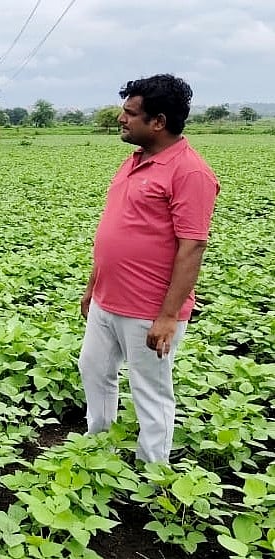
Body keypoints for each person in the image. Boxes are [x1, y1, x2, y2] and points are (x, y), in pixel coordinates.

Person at [79, 74, 220, 463]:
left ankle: (151, 471)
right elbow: (114, 228)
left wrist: (168, 315)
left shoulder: (190, 172)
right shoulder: (135, 160)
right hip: (109, 300)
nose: (121, 119)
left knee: (150, 389)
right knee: (94, 369)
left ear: (157, 121)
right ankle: (97, 445)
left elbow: (192, 246)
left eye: (130, 113)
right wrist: (93, 285)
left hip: (149, 309)